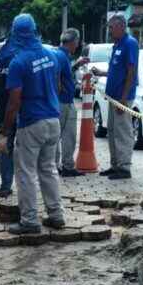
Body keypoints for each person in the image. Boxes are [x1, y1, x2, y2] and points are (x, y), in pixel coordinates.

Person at [0, 14, 65, 235]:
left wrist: (5, 132)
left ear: (15, 34)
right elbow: (56, 85)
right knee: (48, 169)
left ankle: (29, 221)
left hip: (32, 123)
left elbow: (14, 101)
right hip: (53, 121)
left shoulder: (19, 62)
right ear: (35, 31)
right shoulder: (51, 55)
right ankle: (56, 216)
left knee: (25, 172)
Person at [92, 15, 139, 180]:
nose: (109, 31)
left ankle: (124, 168)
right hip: (113, 97)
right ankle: (115, 165)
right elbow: (116, 70)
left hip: (122, 97)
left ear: (121, 27)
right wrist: (102, 73)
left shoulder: (130, 43)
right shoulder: (117, 45)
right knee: (111, 131)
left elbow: (131, 72)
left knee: (123, 133)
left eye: (111, 28)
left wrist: (124, 99)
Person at [55, 28, 89, 177]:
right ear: (73, 41)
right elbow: (56, 76)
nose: (78, 45)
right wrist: (59, 89)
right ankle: (60, 166)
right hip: (63, 102)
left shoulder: (63, 55)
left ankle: (64, 165)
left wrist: (77, 65)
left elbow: (65, 71)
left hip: (65, 101)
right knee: (62, 136)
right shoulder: (61, 56)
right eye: (77, 42)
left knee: (66, 135)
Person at [0, 29, 18, 198]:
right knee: (24, 151)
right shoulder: (20, 61)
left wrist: (1, 116)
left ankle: (5, 186)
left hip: (3, 115)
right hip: (23, 114)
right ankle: (26, 184)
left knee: (5, 149)